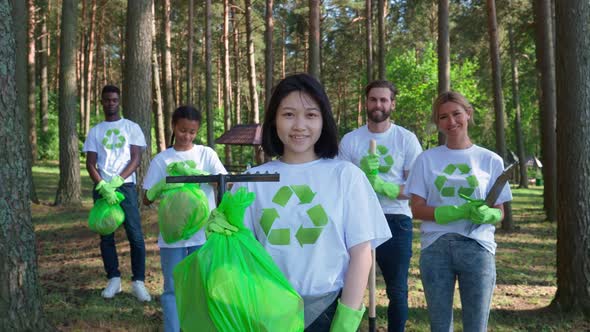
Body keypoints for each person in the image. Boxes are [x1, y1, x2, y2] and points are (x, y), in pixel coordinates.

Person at [208, 73, 392, 332]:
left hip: (327, 310)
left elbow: (362, 254)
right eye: (288, 114)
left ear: (324, 120)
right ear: (274, 120)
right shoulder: (252, 180)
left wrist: (346, 320)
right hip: (265, 311)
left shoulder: (346, 176)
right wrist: (221, 234)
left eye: (311, 115)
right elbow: (239, 256)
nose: (299, 125)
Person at [405, 91, 512, 332]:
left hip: (478, 247)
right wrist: (453, 212)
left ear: (468, 114)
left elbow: (500, 210)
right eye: (443, 117)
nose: (451, 122)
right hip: (436, 249)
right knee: (440, 326)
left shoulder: (490, 160)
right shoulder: (426, 159)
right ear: (438, 122)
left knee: (476, 326)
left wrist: (489, 216)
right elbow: (417, 209)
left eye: (456, 114)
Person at [339, 80, 422, 332]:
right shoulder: (351, 140)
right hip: (358, 220)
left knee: (397, 290)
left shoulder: (406, 139)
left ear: (392, 104)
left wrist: (384, 187)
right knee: (347, 285)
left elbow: (417, 187)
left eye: (384, 100)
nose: (378, 104)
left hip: (395, 219)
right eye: (373, 99)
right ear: (366, 102)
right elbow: (340, 185)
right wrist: (361, 178)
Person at [143, 105, 227, 332]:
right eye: (182, 130)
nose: (187, 136)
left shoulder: (206, 154)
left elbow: (223, 182)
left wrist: (205, 178)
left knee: (201, 286)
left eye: (192, 132)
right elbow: (146, 198)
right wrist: (165, 185)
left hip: (202, 234)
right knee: (172, 287)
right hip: (173, 236)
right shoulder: (162, 160)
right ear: (173, 127)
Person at [83, 85, 151, 302]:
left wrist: (119, 180)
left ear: (119, 101)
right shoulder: (95, 131)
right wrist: (103, 185)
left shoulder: (131, 127)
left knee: (135, 234)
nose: (110, 103)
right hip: (103, 188)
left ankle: (138, 281)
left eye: (114, 100)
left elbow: (136, 159)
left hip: (126, 187)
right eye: (106, 100)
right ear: (101, 102)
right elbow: (90, 163)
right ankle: (113, 279)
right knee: (106, 236)